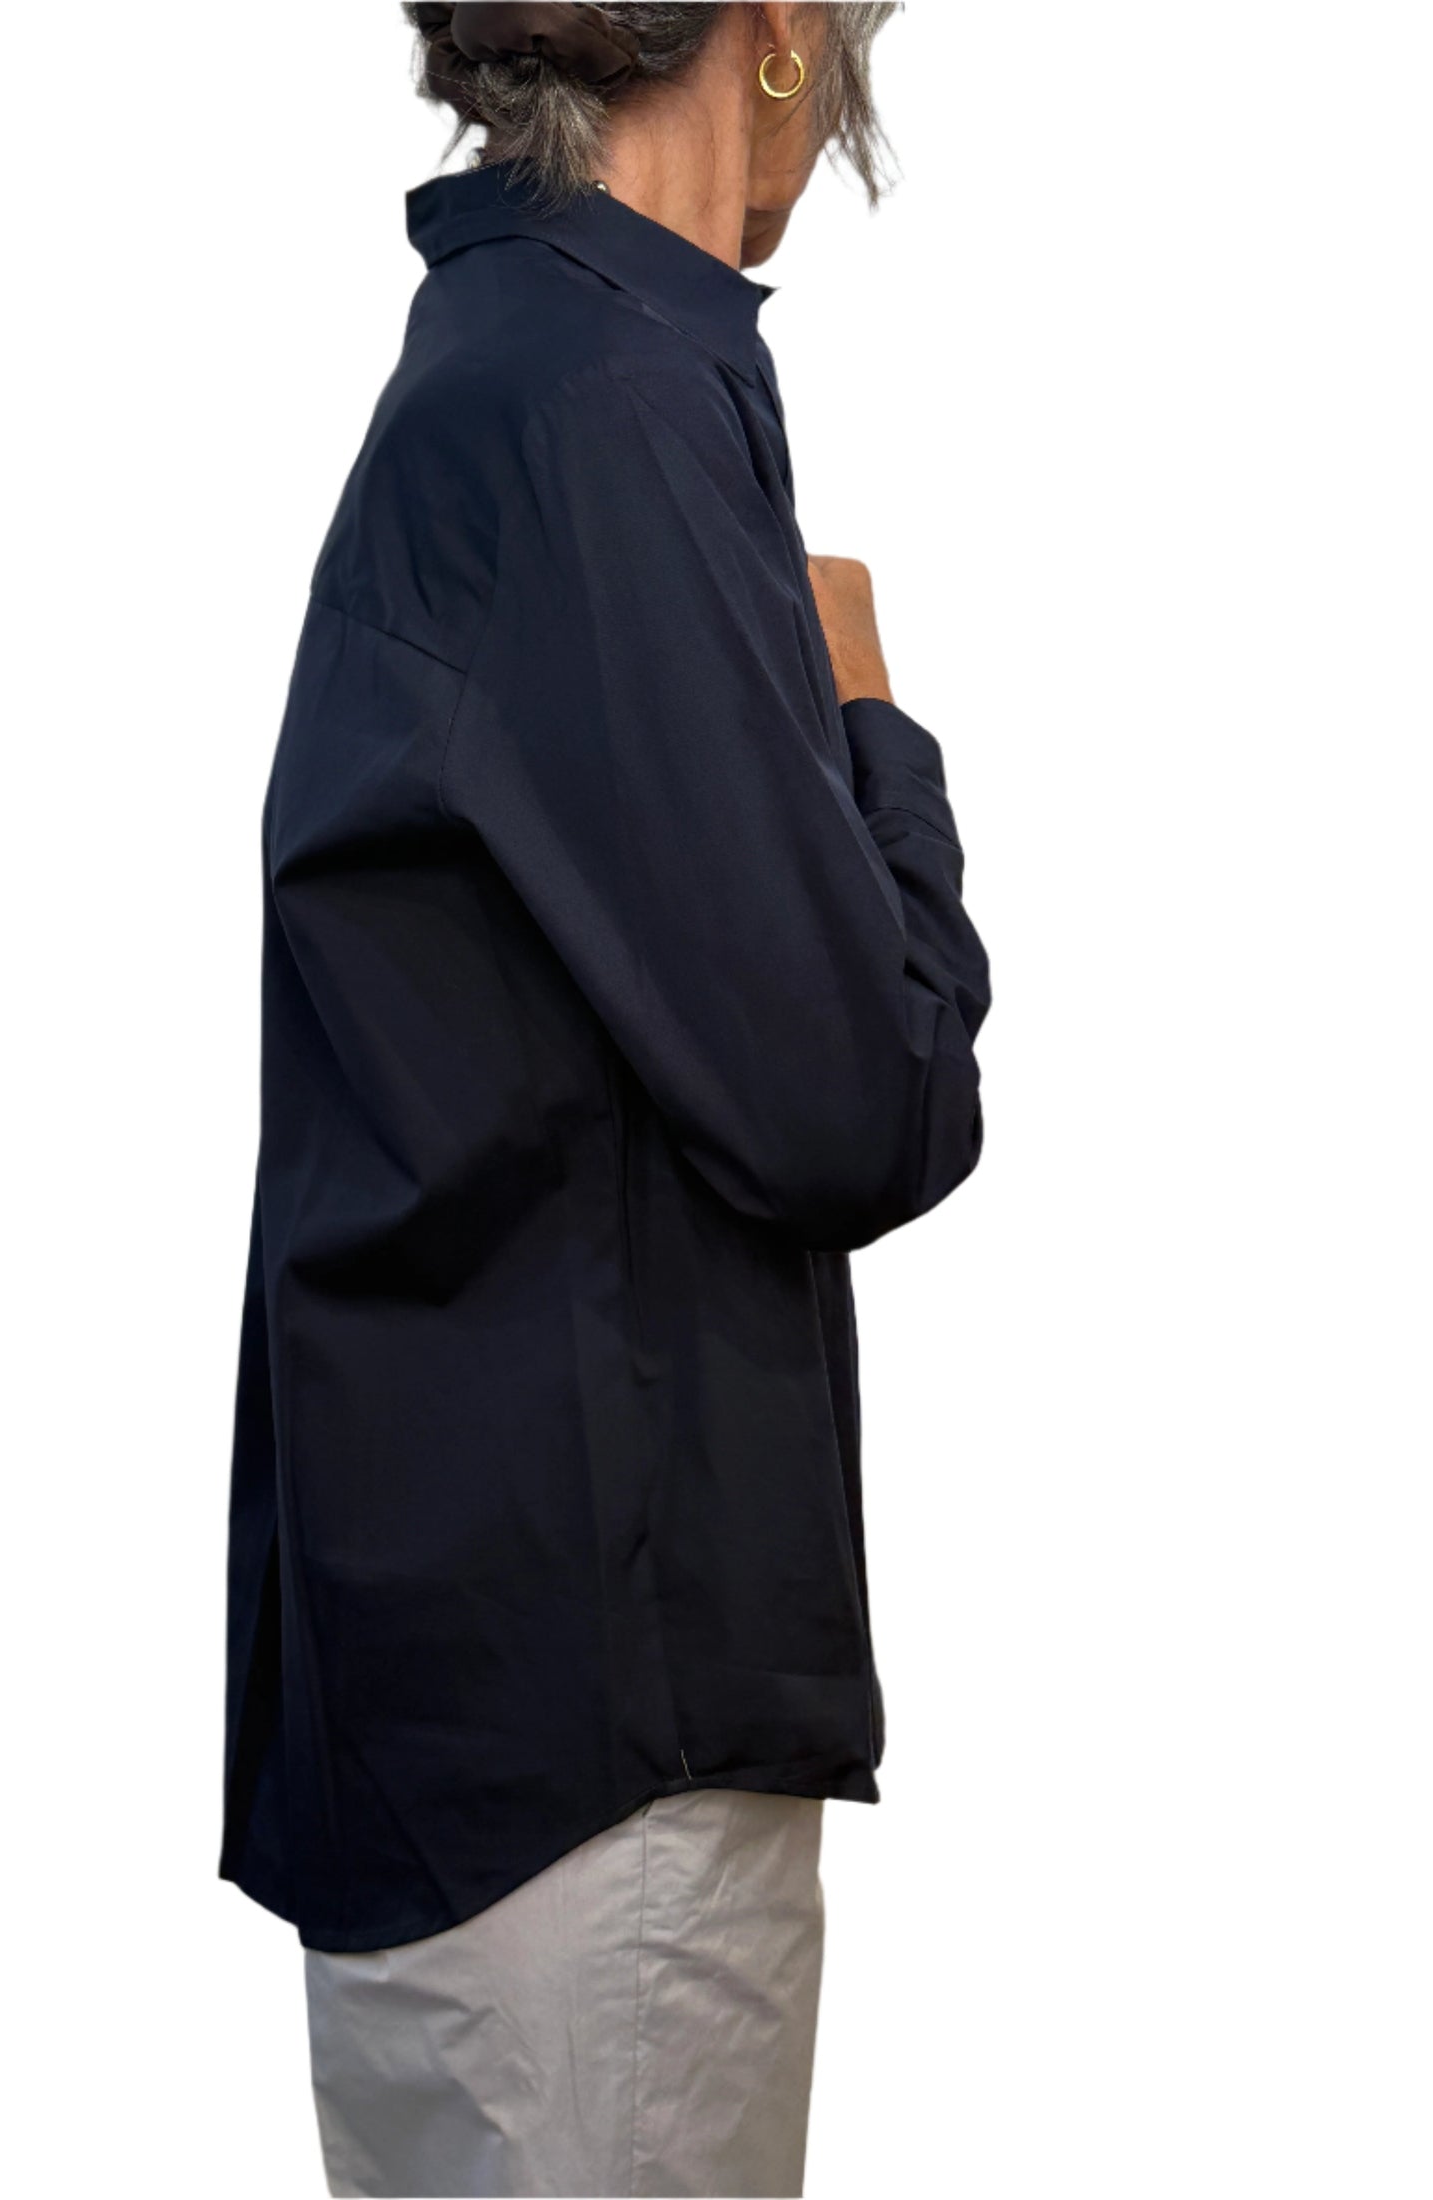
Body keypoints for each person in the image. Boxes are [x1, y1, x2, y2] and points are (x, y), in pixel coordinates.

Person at [221, 4, 991, 2192]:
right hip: (590, 1776)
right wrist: (872, 723)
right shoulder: (608, 401)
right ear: (774, 37)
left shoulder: (500, 376)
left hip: (465, 1731)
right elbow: (859, 1099)